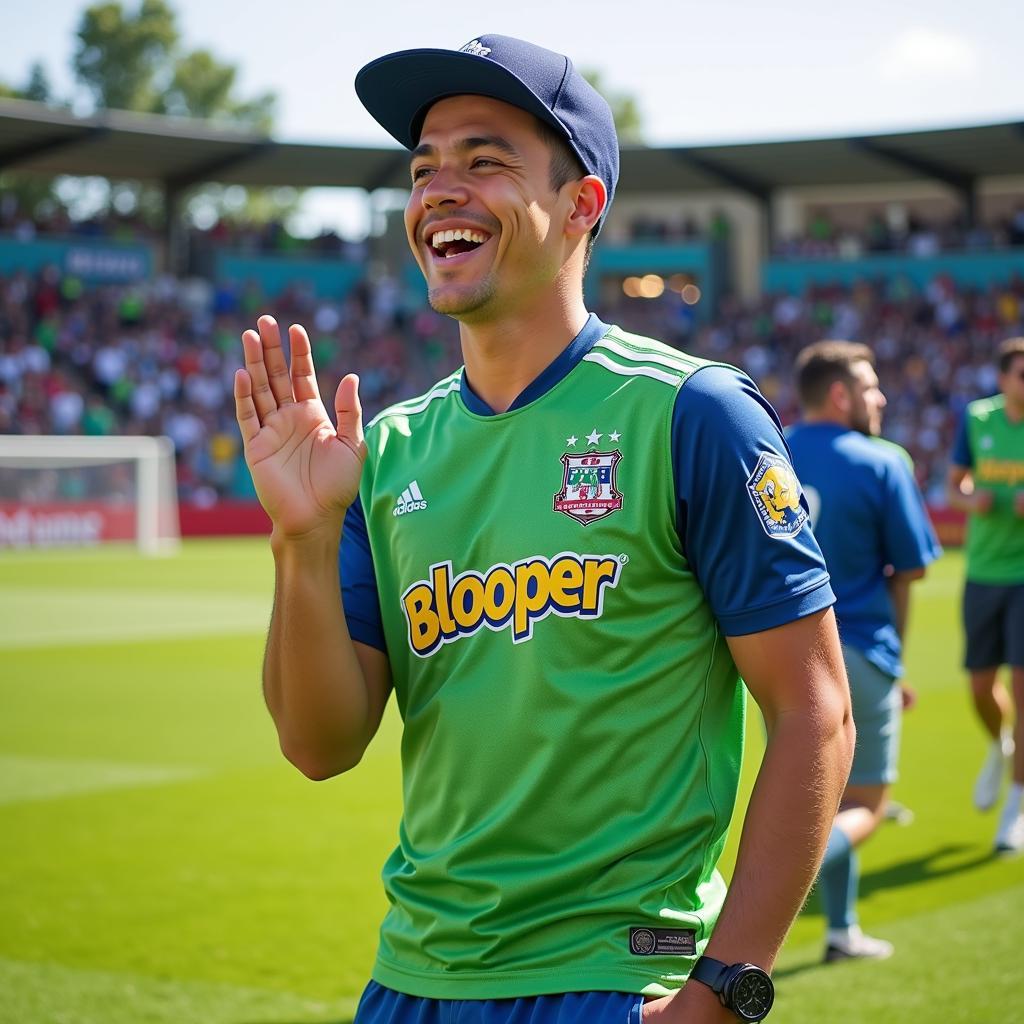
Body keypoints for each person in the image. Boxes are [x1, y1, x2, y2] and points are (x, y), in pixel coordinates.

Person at [233, 34, 854, 1024]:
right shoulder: (386, 451)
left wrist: (722, 997)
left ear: (581, 205)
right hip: (411, 981)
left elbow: (814, 711)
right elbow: (318, 743)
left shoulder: (691, 413)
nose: (441, 189)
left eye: (485, 161)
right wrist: (302, 538)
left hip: (615, 976)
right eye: (424, 167)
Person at [787, 341, 941, 962]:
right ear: (840, 394)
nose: (881, 398)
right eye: (871, 387)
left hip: (784, 656)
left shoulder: (772, 448)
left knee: (820, 791)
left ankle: (840, 930)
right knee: (865, 807)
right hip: (859, 648)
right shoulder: (882, 460)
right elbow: (908, 570)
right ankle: (783, 875)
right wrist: (894, 659)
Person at [947, 336, 1024, 854]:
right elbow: (955, 486)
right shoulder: (977, 419)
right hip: (983, 571)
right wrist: (975, 501)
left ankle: (1015, 811)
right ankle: (1001, 744)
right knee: (980, 688)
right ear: (1003, 380)